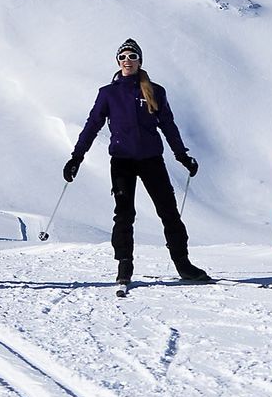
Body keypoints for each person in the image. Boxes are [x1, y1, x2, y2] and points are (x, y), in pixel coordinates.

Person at [65, 38, 209, 286]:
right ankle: (124, 265)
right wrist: (76, 157)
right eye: (123, 57)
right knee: (124, 214)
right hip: (122, 161)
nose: (127, 61)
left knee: (168, 212)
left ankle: (183, 263)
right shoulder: (108, 94)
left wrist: (182, 155)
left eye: (132, 56)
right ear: (117, 62)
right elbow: (92, 125)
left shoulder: (155, 91)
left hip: (151, 159)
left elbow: (168, 126)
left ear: (140, 61)